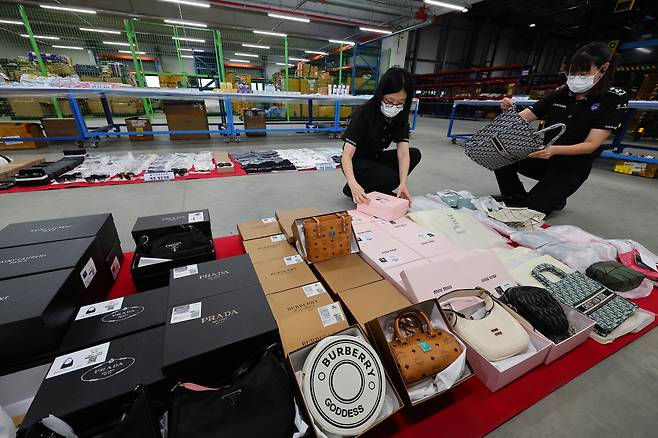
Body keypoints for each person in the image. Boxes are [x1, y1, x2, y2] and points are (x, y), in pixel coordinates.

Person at [494, 41, 629, 215]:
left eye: (583, 73)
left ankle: (554, 197)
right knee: (498, 152)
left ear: (603, 69)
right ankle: (513, 194)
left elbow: (592, 144)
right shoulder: (560, 93)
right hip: (544, 158)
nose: (576, 78)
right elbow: (526, 116)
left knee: (526, 214)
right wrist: (508, 110)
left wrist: (554, 150)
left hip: (571, 168)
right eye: (572, 73)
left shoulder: (612, 99)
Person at [341, 67, 421, 204]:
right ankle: (353, 188)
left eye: (400, 102)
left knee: (414, 154)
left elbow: (403, 153)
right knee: (391, 178)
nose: (394, 106)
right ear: (381, 94)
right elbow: (347, 155)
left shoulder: (401, 115)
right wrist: (353, 183)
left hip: (375, 158)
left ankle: (371, 188)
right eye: (389, 101)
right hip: (356, 162)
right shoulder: (364, 113)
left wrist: (403, 183)